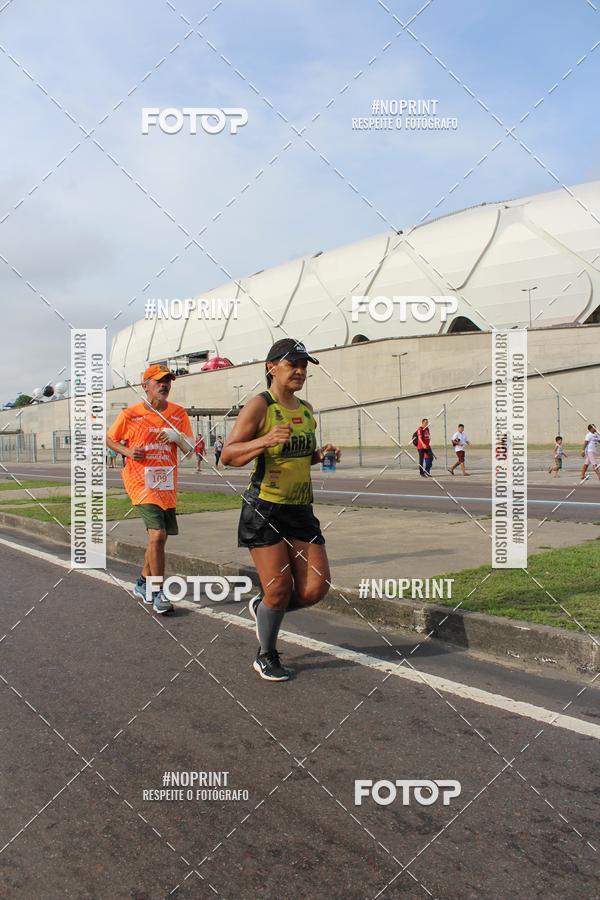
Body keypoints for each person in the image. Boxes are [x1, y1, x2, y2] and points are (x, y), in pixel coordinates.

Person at [221, 338, 341, 682]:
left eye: (305, 366)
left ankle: (263, 609)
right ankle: (266, 654)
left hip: (301, 509)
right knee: (278, 588)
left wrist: (322, 455)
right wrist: (265, 440)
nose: (300, 372)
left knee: (316, 588)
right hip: (264, 509)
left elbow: (301, 457)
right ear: (272, 367)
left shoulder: (306, 410)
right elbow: (227, 456)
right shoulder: (260, 406)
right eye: (293, 365)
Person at [106, 364, 194, 614]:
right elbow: (110, 438)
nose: (164, 385)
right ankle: (157, 591)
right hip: (139, 481)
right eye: (158, 381)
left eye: (167, 381)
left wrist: (177, 438)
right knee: (156, 535)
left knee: (160, 537)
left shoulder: (178, 413)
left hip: (165, 483)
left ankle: (143, 583)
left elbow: (190, 451)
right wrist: (127, 451)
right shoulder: (130, 414)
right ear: (145, 386)